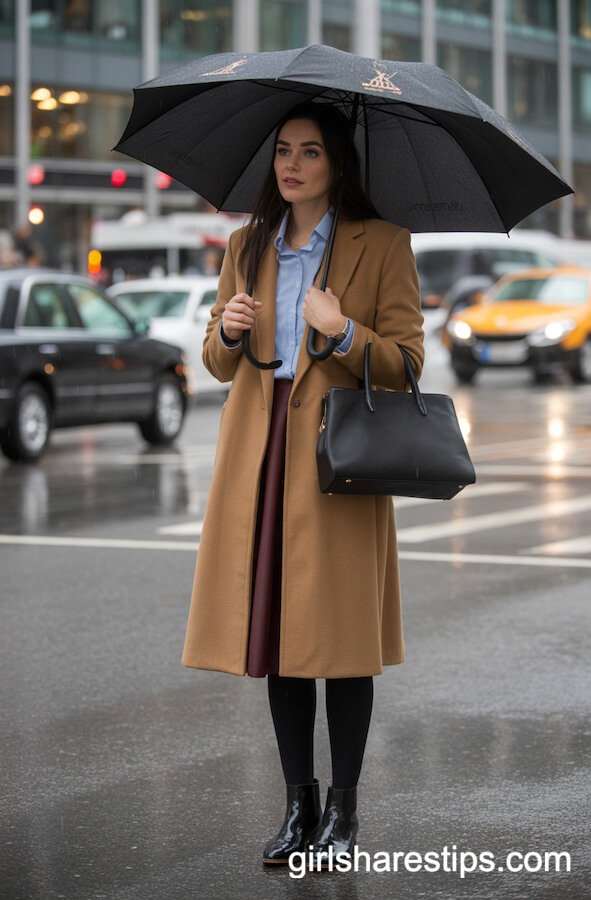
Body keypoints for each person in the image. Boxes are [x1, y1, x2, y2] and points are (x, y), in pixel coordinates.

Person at [182, 102, 424, 867]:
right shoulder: (247, 243)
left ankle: (344, 813)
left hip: (336, 458)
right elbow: (218, 363)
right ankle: (299, 804)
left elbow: (410, 364)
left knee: (343, 644)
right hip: (260, 454)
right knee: (277, 640)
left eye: (310, 152)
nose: (291, 164)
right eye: (283, 151)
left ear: (337, 164)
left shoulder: (382, 245)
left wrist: (344, 330)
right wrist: (224, 329)